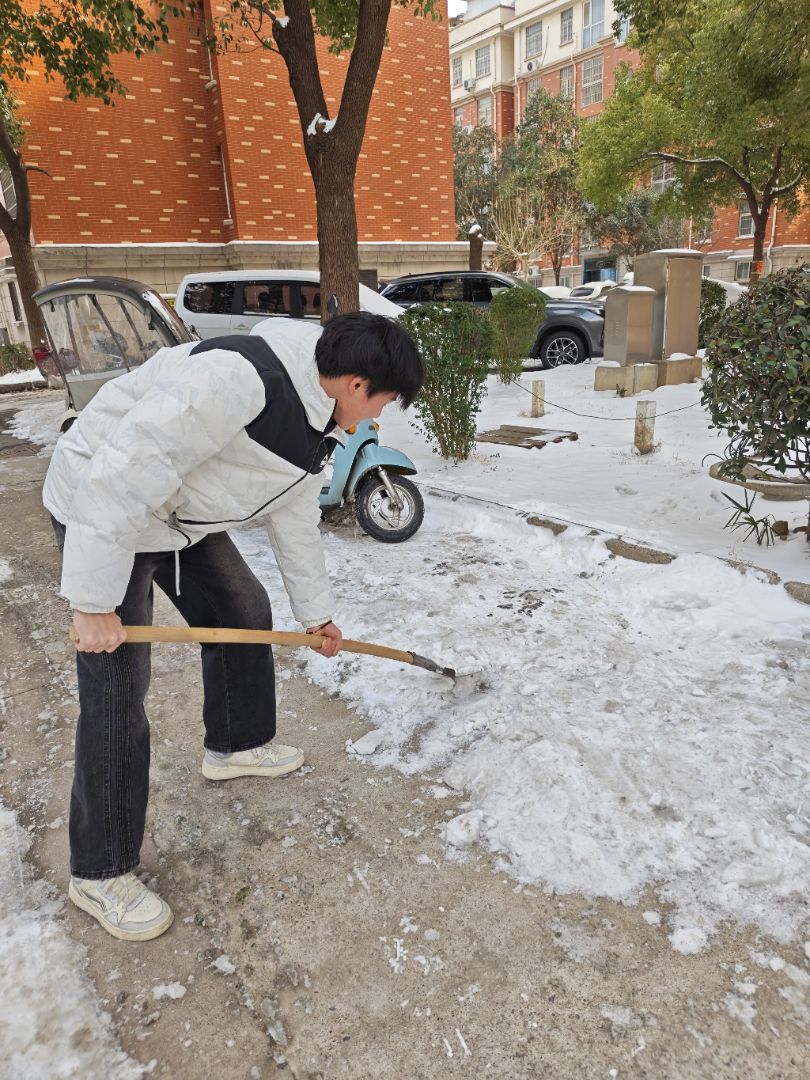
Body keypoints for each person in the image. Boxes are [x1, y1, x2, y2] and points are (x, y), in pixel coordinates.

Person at [42, 312, 424, 942]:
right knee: (116, 685)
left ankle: (237, 745)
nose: (380, 416)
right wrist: (91, 600)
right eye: (384, 402)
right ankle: (100, 869)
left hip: (176, 513)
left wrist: (317, 614)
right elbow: (125, 470)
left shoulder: (319, 415)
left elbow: (295, 517)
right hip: (102, 506)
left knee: (241, 610)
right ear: (357, 383)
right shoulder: (236, 381)